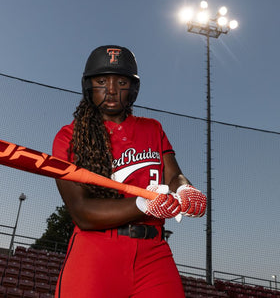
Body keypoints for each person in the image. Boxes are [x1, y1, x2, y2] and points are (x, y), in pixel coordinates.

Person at [52, 45, 207, 298]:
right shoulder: (69, 137)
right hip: (96, 252)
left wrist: (185, 189)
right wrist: (144, 205)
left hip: (154, 254)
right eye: (102, 80)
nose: (111, 89)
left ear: (133, 88)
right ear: (88, 86)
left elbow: (174, 175)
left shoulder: (152, 128)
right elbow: (81, 213)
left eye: (121, 81)